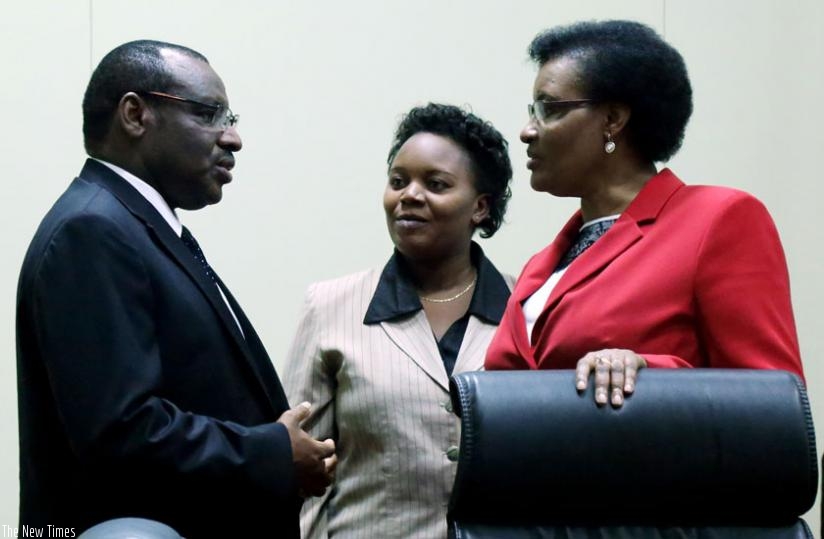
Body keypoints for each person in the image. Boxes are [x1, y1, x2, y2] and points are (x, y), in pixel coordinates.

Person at [16, 40, 335, 537]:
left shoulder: (133, 226)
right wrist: (272, 452)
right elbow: (121, 432)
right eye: (209, 114)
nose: (233, 138)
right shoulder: (93, 231)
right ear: (135, 114)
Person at [484, 20, 804, 406]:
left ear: (613, 120)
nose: (527, 131)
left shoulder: (719, 220)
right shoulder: (540, 267)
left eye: (549, 109)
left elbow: (774, 401)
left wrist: (649, 372)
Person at [283, 103, 513, 538]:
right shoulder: (329, 305)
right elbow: (299, 471)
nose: (409, 194)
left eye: (436, 183)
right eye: (397, 181)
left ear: (480, 208)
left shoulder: (530, 307)